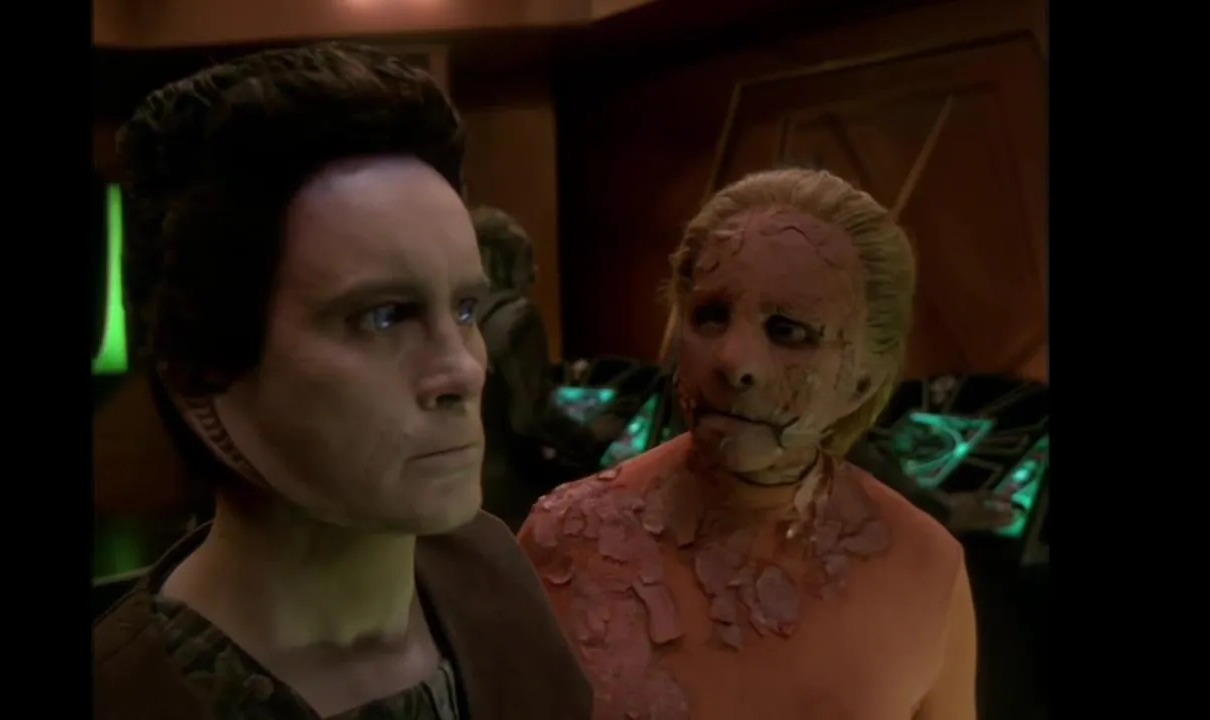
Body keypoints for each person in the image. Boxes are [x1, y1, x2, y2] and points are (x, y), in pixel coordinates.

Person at [92, 43, 590, 720]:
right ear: (203, 366)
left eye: (465, 309)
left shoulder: (490, 572)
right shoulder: (125, 695)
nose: (465, 370)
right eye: (384, 317)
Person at [517, 168, 976, 719]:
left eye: (788, 330)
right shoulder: (566, 538)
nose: (733, 360)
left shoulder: (924, 567)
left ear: (864, 379)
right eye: (711, 316)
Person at [471, 207, 633, 529]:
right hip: (512, 495)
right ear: (507, 263)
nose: (535, 273)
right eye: (527, 260)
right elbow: (531, 417)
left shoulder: (462, 315)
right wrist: (592, 436)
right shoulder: (519, 318)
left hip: (473, 487)